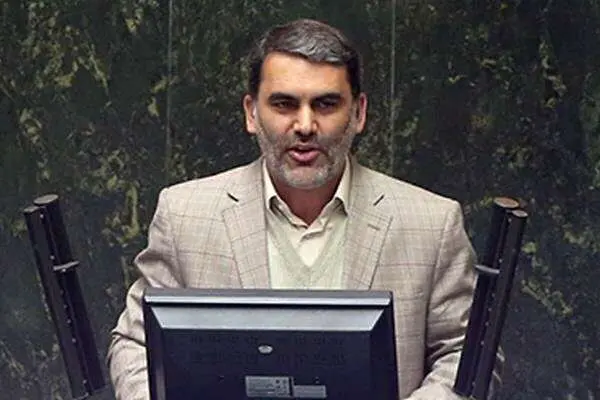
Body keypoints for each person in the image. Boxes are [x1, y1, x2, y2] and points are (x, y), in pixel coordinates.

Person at [107, 18, 501, 399]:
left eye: (326, 104)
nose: (305, 125)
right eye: (284, 104)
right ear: (251, 113)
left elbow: (464, 355)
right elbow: (135, 344)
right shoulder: (185, 216)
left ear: (359, 113)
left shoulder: (431, 224)